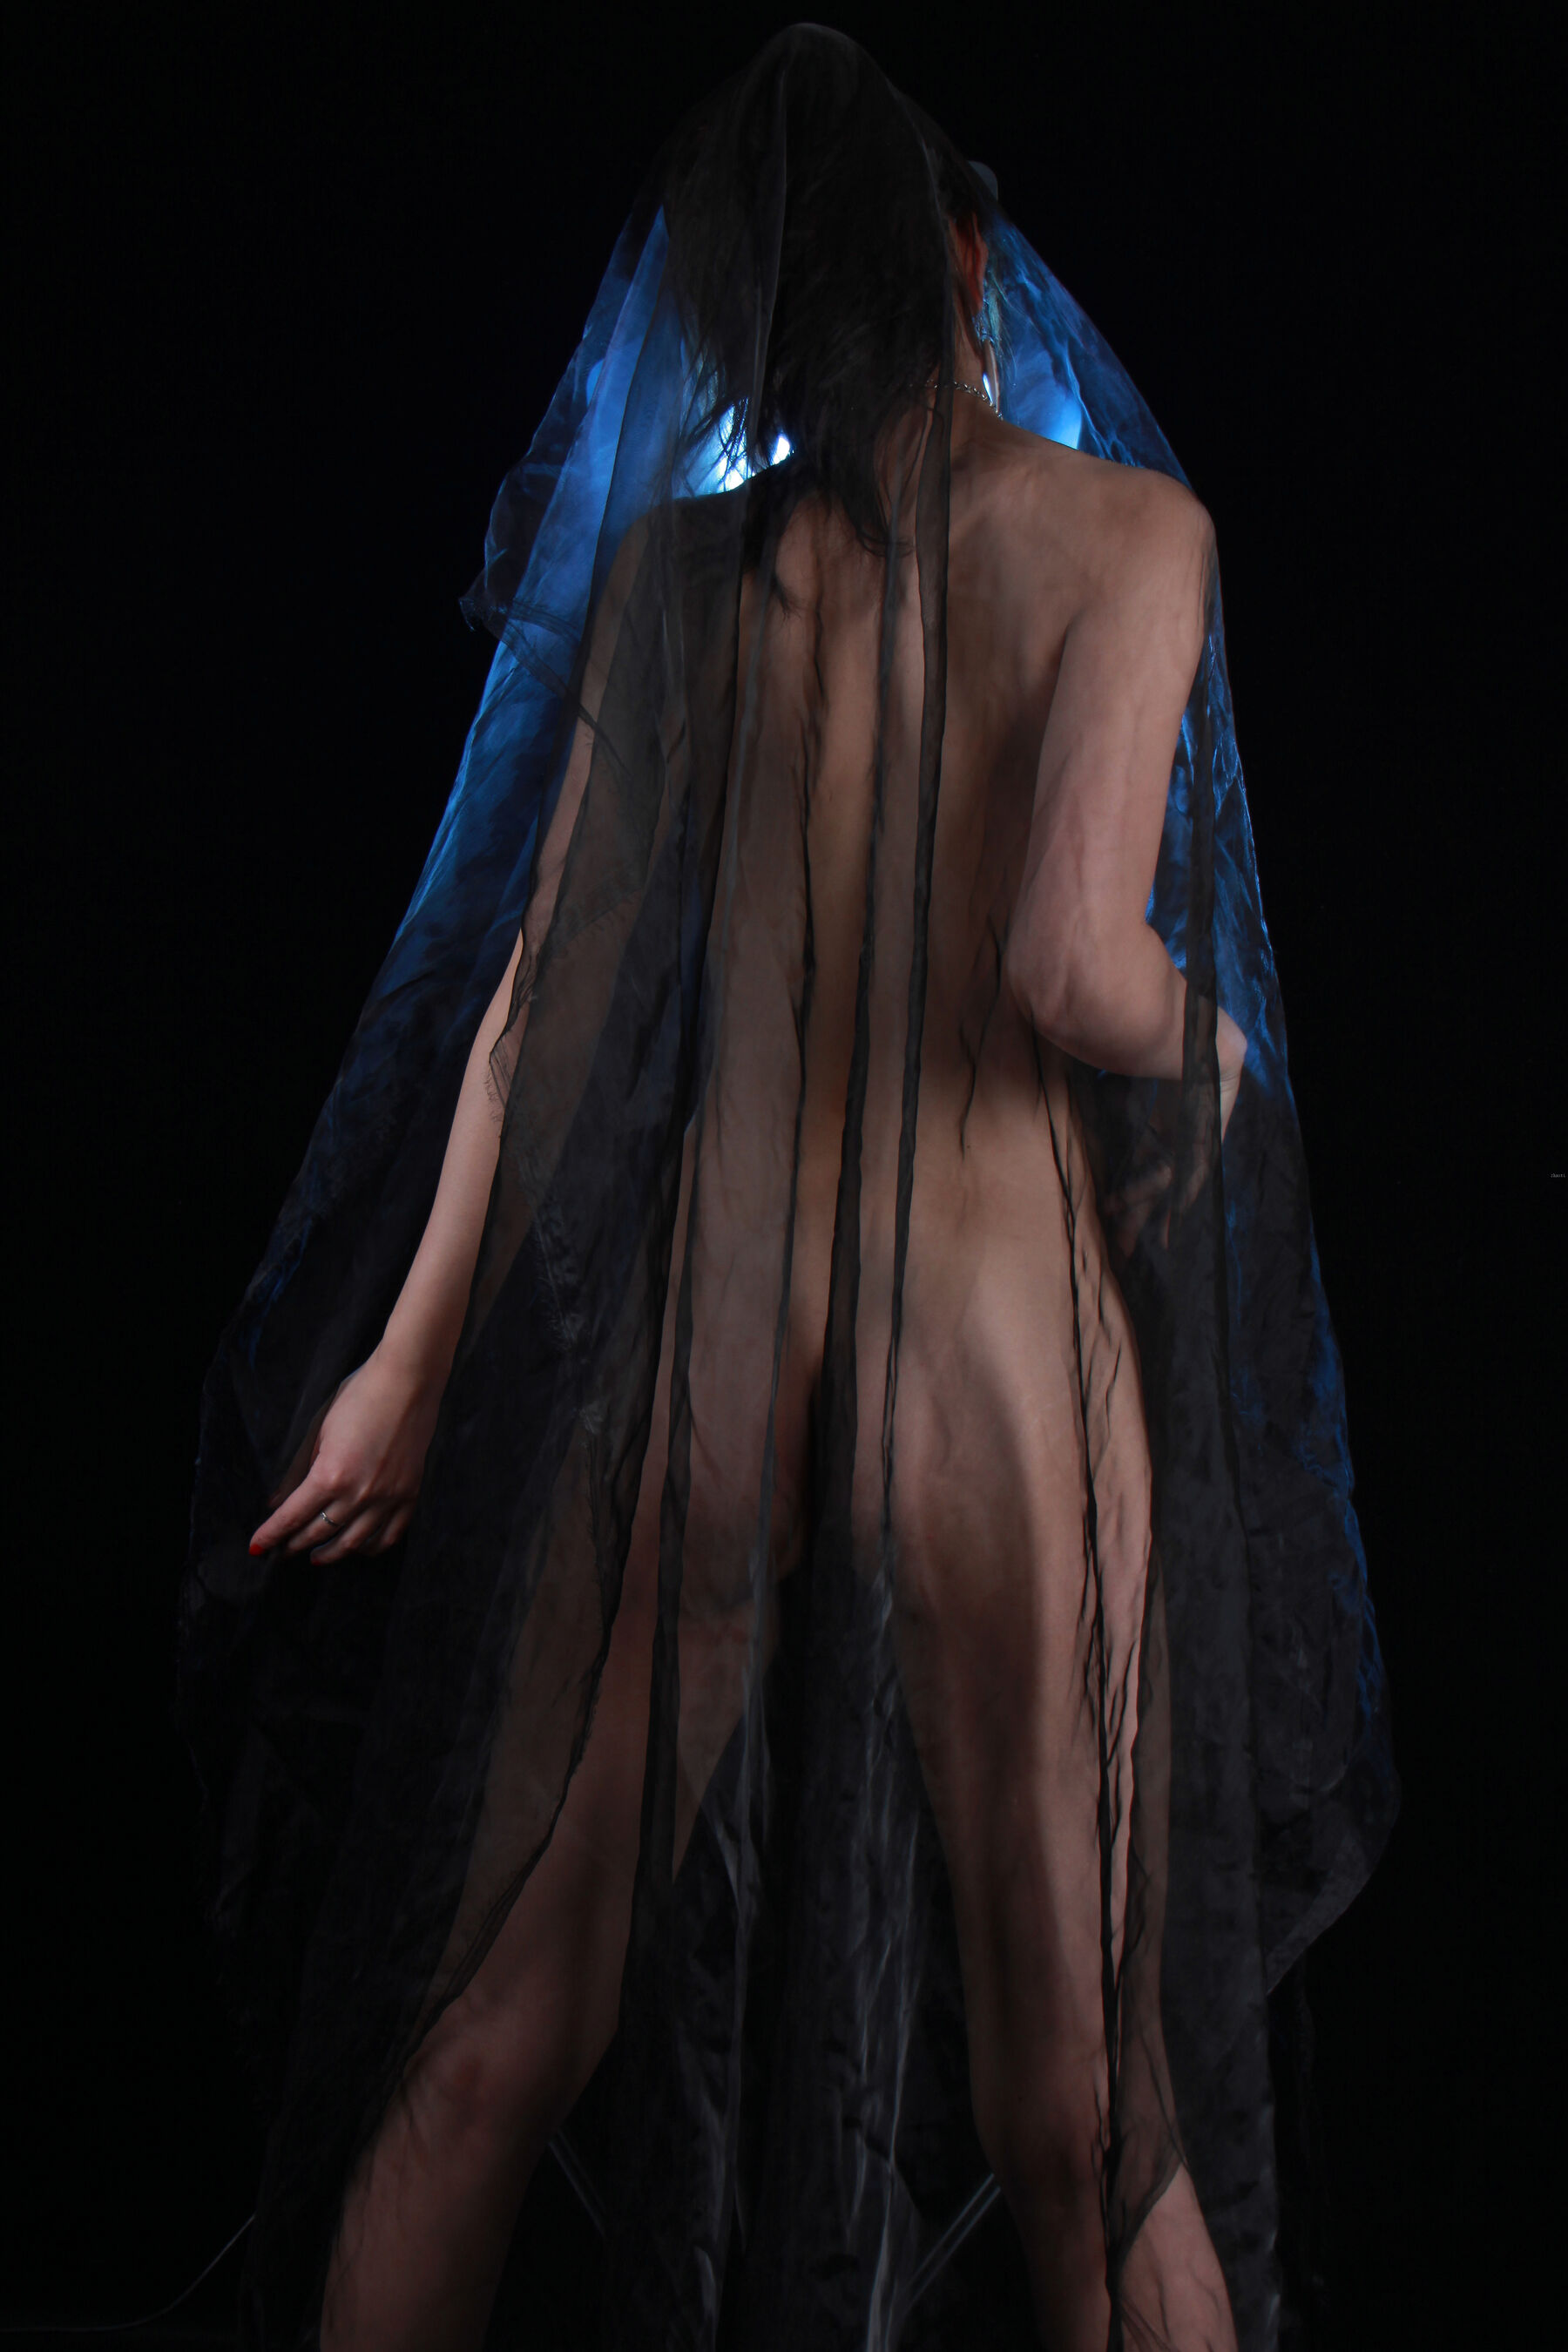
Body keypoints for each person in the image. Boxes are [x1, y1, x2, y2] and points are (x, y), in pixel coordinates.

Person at [183, 29, 1396, 2351]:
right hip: (991, 1364)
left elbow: (534, 1010)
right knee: (1085, 2111)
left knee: (489, 2035)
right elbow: (1069, 963)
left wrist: (405, 1372)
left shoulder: (673, 578)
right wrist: (1222, 1060)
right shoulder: (1127, 539)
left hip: (713, 1345)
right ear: (964, 263)